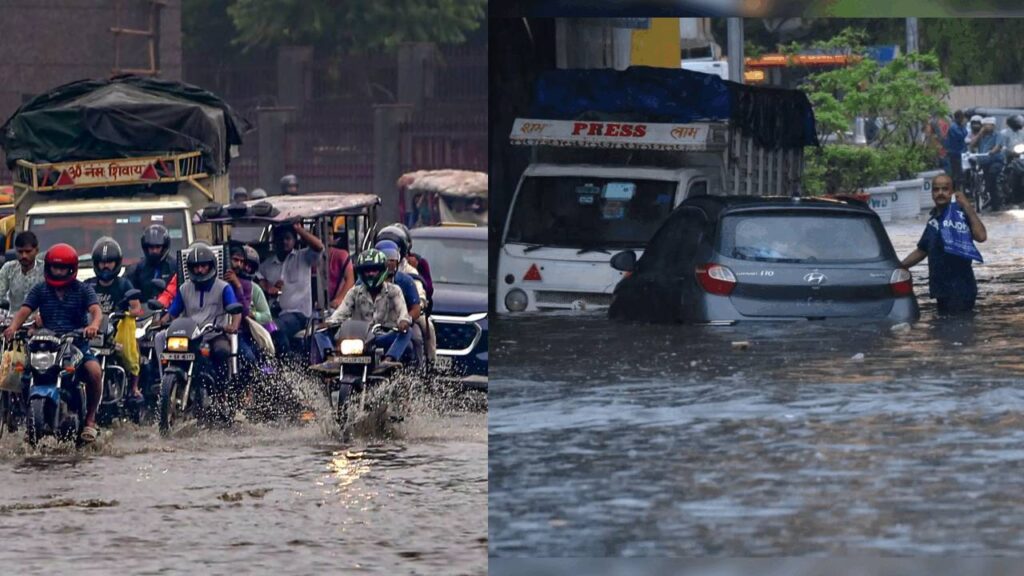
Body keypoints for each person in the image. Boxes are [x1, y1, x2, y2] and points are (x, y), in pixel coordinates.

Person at [3, 244, 103, 443]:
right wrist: (13, 327)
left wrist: (93, 325)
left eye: (63, 268)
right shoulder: (40, 289)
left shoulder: (82, 289)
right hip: (46, 344)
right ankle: (21, 418)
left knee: (94, 371)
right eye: (55, 268)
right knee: (20, 372)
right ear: (48, 267)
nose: (58, 272)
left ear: (71, 269)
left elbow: (96, 310)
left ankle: (90, 420)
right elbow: (24, 310)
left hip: (76, 344)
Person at [900, 174, 987, 314]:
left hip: (961, 290)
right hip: (941, 289)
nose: (940, 193)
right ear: (932, 194)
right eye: (936, 189)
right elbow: (922, 251)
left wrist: (967, 206)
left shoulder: (960, 216)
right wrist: (899, 266)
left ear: (952, 192)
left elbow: (981, 236)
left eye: (945, 189)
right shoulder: (933, 220)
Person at [158, 243, 242, 380]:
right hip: (190, 336)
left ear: (211, 266)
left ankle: (222, 392)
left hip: (214, 334)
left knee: (222, 351)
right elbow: (172, 312)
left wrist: (233, 326)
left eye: (204, 266)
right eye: (196, 267)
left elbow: (236, 310)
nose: (200, 270)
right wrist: (160, 322)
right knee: (167, 347)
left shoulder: (223, 287)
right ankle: (165, 381)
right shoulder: (184, 288)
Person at [324, 249, 411, 372]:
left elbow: (403, 313)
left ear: (382, 270)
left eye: (374, 270)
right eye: (367, 271)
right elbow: (341, 313)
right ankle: (331, 361)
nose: (370, 274)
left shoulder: (394, 291)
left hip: (383, 337)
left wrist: (403, 322)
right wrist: (329, 323)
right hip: (359, 339)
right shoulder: (354, 292)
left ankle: (389, 361)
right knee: (320, 331)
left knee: (408, 332)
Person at [85, 237, 144, 402]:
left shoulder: (124, 284)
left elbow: (137, 307)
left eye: (110, 262)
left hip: (117, 332)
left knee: (130, 353)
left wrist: (127, 313)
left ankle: (133, 388)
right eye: (102, 262)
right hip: (93, 333)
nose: (106, 266)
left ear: (117, 263)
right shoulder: (88, 285)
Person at [259, 222, 324, 356]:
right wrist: (267, 286)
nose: (284, 242)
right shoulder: (267, 264)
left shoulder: (303, 257)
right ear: (275, 241)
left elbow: (319, 246)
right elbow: (257, 277)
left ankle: (286, 362)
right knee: (262, 329)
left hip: (299, 315)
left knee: (274, 328)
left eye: (288, 238)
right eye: (281, 238)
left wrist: (298, 229)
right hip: (273, 313)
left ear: (295, 240)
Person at [376, 240, 424, 364]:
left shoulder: (406, 281)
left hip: (400, 325)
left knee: (416, 339)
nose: (390, 263)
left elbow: (416, 307)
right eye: (386, 259)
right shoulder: (365, 280)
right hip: (372, 327)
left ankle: (419, 373)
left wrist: (406, 320)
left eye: (393, 259)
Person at [126, 224, 177, 302]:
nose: (154, 251)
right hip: (144, 311)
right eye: (151, 247)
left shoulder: (175, 267)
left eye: (158, 247)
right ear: (146, 247)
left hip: (169, 310)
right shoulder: (137, 269)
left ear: (164, 247)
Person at [0, 231, 44, 311]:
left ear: (36, 250)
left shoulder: (45, 269)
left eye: (28, 251)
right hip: (13, 320)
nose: (24, 256)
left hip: (38, 320)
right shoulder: (9, 268)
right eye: (20, 252)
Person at [328, 225, 355, 309]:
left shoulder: (341, 255)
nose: (326, 236)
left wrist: (339, 299)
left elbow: (350, 280)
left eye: (330, 233)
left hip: (339, 305)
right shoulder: (310, 257)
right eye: (321, 233)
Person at [999, 114, 1024, 204]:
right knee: (1013, 174)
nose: (1021, 123)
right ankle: (1014, 197)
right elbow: (1002, 147)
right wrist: (1009, 151)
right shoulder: (1004, 133)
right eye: (1019, 122)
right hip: (1009, 157)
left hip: (1021, 157)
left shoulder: (1022, 133)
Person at [944, 110, 968, 190]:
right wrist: (963, 126)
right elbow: (961, 135)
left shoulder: (959, 126)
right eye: (962, 118)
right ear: (958, 118)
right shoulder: (953, 127)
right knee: (956, 174)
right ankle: (955, 190)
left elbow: (966, 133)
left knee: (961, 174)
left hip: (961, 153)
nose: (963, 119)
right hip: (954, 153)